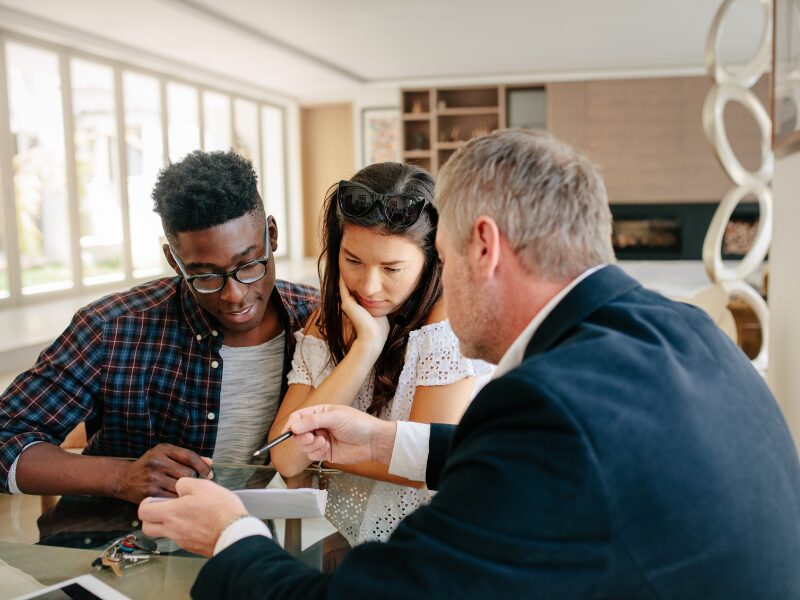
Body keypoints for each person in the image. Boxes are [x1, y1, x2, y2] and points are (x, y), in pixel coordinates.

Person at [139, 131, 800, 598]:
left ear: (482, 248)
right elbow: (565, 464)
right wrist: (387, 441)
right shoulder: (679, 330)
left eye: (443, 261)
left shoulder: (551, 404)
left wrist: (232, 536)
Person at [0, 150, 318, 503]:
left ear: (271, 236)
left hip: (258, 540)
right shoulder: (112, 328)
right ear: (174, 261)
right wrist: (121, 476)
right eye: (205, 276)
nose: (234, 295)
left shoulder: (318, 320)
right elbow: (6, 437)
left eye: (248, 265)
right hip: (122, 542)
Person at [269, 162, 490, 545]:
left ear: (432, 261)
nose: (369, 286)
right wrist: (365, 347)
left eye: (392, 268)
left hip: (427, 544)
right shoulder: (332, 318)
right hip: (342, 539)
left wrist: (320, 452)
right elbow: (286, 458)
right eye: (352, 260)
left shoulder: (449, 319)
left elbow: (424, 460)